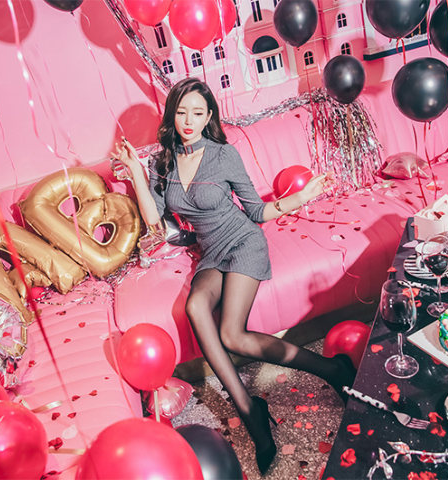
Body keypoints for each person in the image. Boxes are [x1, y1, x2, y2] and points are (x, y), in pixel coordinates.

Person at [112, 78, 356, 475]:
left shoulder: (224, 154)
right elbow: (154, 222)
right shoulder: (163, 162)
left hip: (243, 242)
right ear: (172, 115)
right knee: (195, 306)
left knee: (232, 335)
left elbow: (256, 212)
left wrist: (301, 197)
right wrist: (137, 175)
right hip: (211, 252)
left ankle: (332, 371)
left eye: (197, 112)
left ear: (208, 116)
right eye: (182, 112)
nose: (188, 120)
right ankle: (251, 408)